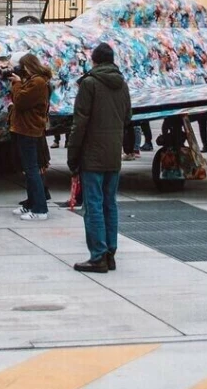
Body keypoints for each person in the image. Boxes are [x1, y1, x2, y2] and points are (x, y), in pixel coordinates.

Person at [67, 42, 130, 273]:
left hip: (92, 153)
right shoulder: (121, 84)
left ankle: (98, 256)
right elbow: (127, 116)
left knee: (92, 205)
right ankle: (110, 252)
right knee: (109, 203)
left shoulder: (90, 83)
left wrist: (72, 156)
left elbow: (79, 122)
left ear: (94, 60)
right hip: (113, 153)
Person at [8, 54, 54, 221]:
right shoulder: (35, 81)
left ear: (27, 65)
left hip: (29, 130)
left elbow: (20, 101)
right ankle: (31, 203)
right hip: (26, 129)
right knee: (29, 170)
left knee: (32, 170)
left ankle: (40, 209)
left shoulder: (38, 82)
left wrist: (17, 83)